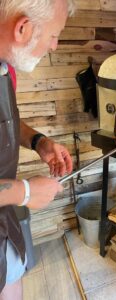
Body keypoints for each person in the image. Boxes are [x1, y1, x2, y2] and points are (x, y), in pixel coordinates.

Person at [0, 1, 76, 299]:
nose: (54, 46)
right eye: (54, 35)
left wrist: (38, 142)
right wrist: (26, 193)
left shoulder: (5, 66)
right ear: (23, 28)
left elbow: (8, 119)